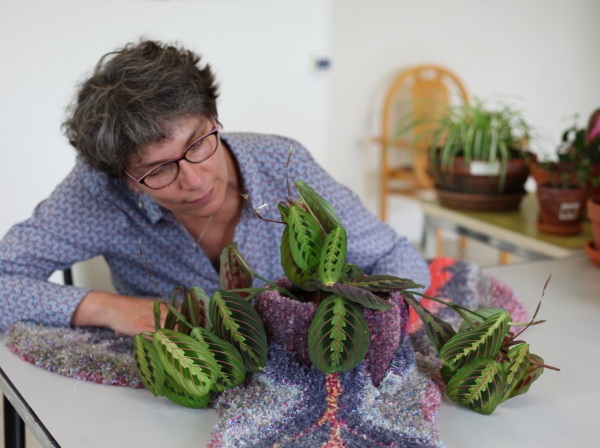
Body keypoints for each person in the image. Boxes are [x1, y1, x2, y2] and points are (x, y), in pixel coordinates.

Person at [0, 39, 430, 337]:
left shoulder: (283, 164)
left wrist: (358, 324)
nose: (196, 180)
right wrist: (109, 308)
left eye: (199, 144)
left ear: (214, 117)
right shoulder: (98, 190)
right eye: (157, 171)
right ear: (125, 180)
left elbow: (395, 256)